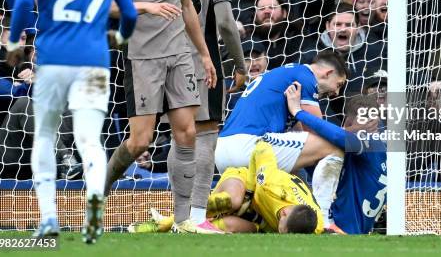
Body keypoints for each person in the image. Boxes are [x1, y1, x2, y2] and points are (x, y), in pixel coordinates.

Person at [7, 0, 138, 243]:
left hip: (51, 63)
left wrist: (14, 42)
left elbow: (22, 1)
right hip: (94, 62)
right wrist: (121, 39)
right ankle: (93, 217)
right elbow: (129, 13)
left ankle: (48, 218)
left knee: (45, 136)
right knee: (89, 140)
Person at [103, 0, 217, 234]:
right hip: (142, 58)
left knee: (187, 133)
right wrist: (146, 6)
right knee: (140, 141)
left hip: (179, 55)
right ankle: (98, 193)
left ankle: (183, 220)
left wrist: (204, 54)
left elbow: (186, 7)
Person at [214, 50, 348, 232]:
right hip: (250, 145)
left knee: (292, 178)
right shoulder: (306, 78)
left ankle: (199, 220)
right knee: (333, 147)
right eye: (339, 85)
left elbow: (300, 138)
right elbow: (319, 133)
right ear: (328, 73)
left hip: (224, 151)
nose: (336, 92)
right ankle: (323, 219)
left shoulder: (286, 73)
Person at [182, 0, 247, 232]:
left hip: (153, 59)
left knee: (144, 137)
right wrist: (240, 64)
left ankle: (96, 204)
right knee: (205, 137)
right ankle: (193, 218)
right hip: (198, 62)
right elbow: (223, 23)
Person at [129, 141, 323, 234]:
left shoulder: (315, 224)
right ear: (283, 215)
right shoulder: (271, 185)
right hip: (246, 185)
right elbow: (262, 147)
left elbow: (330, 230)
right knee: (234, 201)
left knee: (234, 227)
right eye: (282, 231)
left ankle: (178, 232)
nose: (282, 235)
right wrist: (253, 187)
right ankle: (166, 222)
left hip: (259, 216)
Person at [284, 83, 387, 234]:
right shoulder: (379, 148)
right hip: (355, 228)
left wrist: (298, 112)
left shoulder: (368, 143)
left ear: (348, 120)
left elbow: (338, 135)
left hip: (341, 229)